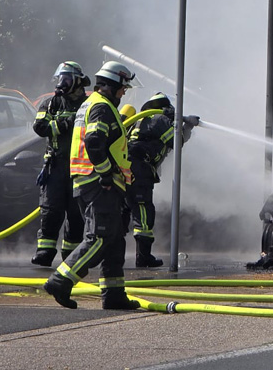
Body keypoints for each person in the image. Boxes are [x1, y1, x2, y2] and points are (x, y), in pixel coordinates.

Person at [43, 61, 140, 311]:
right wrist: (106, 173)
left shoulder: (92, 103)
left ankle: (114, 294)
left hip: (92, 182)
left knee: (115, 240)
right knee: (100, 237)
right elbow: (95, 140)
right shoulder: (101, 107)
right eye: (123, 89)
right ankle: (61, 280)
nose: (123, 94)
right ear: (114, 85)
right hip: (99, 183)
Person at [125, 92, 196, 268]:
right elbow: (177, 141)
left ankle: (114, 256)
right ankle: (143, 257)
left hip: (126, 167)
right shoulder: (159, 119)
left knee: (125, 209)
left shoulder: (139, 121)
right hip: (140, 168)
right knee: (143, 210)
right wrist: (188, 126)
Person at [30, 61, 90, 267]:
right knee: (50, 209)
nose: (61, 83)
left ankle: (70, 256)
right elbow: (39, 126)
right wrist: (64, 124)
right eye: (60, 79)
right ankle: (44, 252)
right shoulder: (51, 103)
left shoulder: (89, 105)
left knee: (76, 213)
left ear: (78, 81)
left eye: (66, 79)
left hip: (79, 167)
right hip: (55, 166)